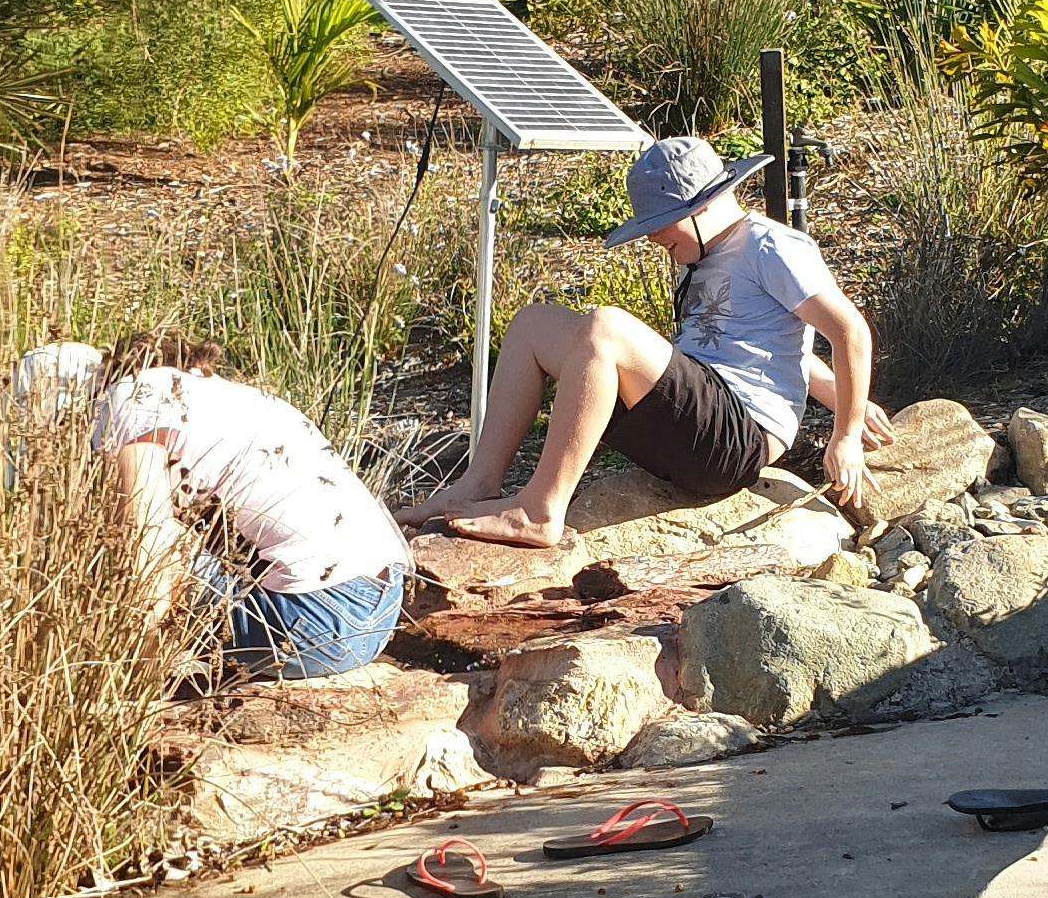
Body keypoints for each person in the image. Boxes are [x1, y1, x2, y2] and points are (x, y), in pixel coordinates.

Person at [409, 133, 876, 553]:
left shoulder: (771, 247)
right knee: (533, 325)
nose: (652, 236)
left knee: (605, 328)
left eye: (662, 222)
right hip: (692, 428)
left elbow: (849, 330)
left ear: (703, 205)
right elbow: (772, 346)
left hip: (735, 442)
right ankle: (479, 484)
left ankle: (540, 510)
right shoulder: (702, 252)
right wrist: (838, 396)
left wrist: (847, 433)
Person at [69, 332, 408, 681]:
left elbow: (149, 551)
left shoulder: (128, 397)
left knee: (113, 535)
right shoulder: (218, 393)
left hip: (313, 624)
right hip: (381, 611)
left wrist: (133, 679)